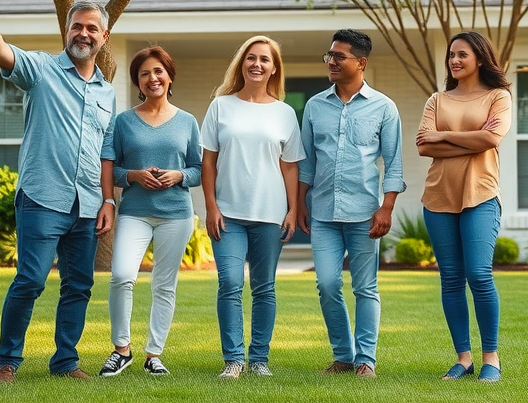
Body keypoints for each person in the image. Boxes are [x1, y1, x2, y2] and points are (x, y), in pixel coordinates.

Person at [0, 0, 117, 384]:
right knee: (29, 281)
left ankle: (64, 362)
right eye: (77, 26)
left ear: (104, 36)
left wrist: (109, 202)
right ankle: (7, 361)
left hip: (86, 204)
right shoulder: (42, 69)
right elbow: (1, 52)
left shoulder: (107, 93)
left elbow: (105, 153)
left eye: (91, 28)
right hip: (42, 197)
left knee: (78, 287)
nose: (83, 33)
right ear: (66, 31)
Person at [296, 29, 405, 379]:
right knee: (327, 284)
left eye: (339, 56)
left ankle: (365, 361)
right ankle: (343, 354)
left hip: (365, 214)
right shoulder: (314, 106)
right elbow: (307, 163)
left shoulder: (384, 107)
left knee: (365, 287)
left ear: (361, 62)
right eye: (329, 55)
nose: (331, 61)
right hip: (324, 212)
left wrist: (386, 208)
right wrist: (299, 204)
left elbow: (394, 162)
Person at [200, 35, 304, 379]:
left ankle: (259, 359)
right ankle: (233, 359)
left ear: (275, 69)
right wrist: (211, 206)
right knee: (229, 282)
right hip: (228, 214)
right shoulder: (221, 106)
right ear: (241, 63)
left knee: (264, 287)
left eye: (265, 60)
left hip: (270, 215)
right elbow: (209, 162)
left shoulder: (285, 113)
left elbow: (290, 166)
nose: (257, 64)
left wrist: (292, 210)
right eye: (251, 58)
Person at [98, 46, 202, 377]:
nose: (152, 78)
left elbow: (199, 169)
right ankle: (121, 350)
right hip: (135, 211)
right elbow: (109, 169)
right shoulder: (123, 122)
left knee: (164, 284)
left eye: (158, 71)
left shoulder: (187, 121)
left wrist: (179, 175)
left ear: (169, 77)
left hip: (176, 213)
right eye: (145, 74)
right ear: (138, 83)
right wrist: (132, 175)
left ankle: (154, 353)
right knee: (122, 275)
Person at [415, 31, 512, 383]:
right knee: (451, 279)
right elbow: (424, 146)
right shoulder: (437, 100)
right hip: (439, 197)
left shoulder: (498, 97)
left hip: (481, 196)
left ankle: (491, 358)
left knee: (479, 275)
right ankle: (464, 358)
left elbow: (492, 138)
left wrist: (444, 136)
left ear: (480, 59)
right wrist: (466, 142)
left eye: (462, 55)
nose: (454, 60)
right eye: (451, 55)